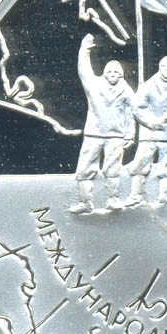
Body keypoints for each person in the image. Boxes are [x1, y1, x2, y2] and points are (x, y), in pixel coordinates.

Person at [70, 34, 135, 214]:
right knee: (84, 169)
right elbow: (83, 70)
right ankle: (85, 202)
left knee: (113, 170)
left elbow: (131, 114)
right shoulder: (93, 85)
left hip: (115, 136)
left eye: (116, 72)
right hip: (93, 134)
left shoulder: (126, 90)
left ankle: (113, 199)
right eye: (110, 72)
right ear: (104, 73)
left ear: (121, 75)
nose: (112, 75)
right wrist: (84, 50)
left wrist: (130, 134)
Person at [126, 56, 167, 206]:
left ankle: (165, 196)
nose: (166, 68)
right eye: (163, 65)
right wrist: (152, 122)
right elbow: (137, 108)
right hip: (150, 133)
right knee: (139, 164)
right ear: (159, 67)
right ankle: (135, 196)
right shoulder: (148, 85)